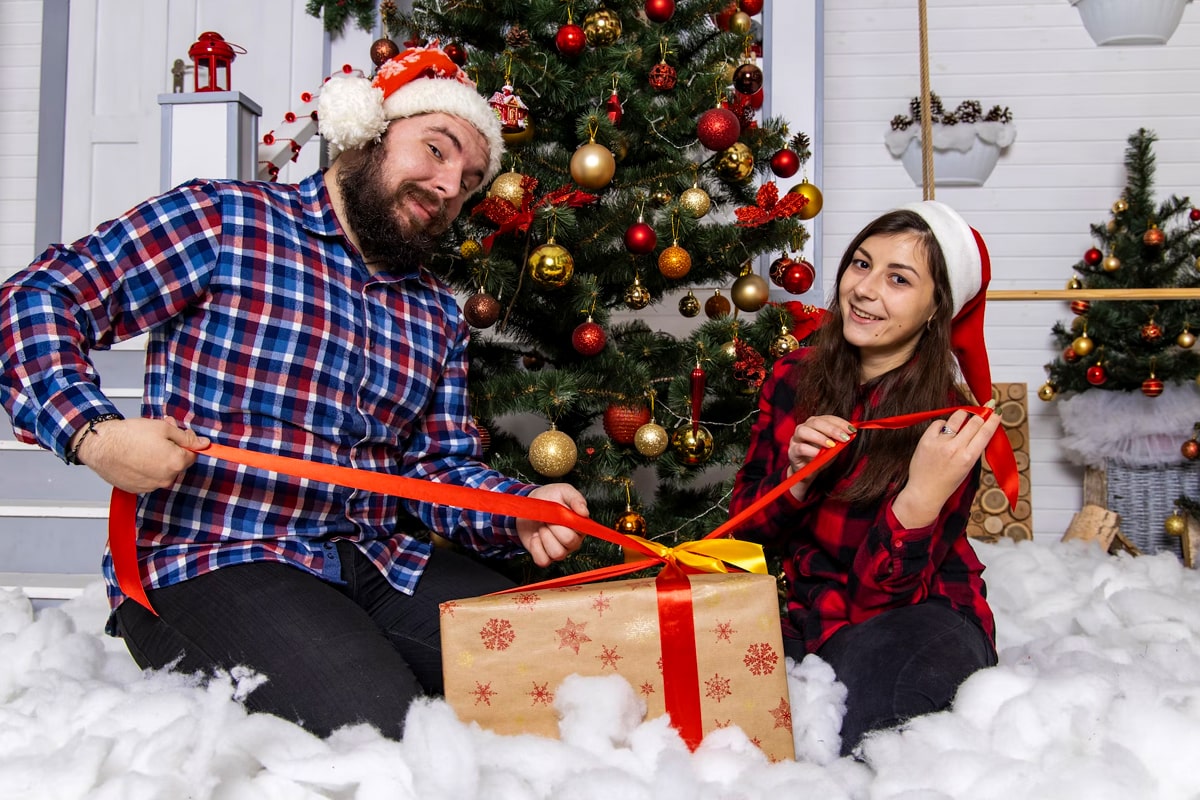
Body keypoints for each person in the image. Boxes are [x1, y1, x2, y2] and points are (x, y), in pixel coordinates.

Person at [0, 43, 589, 739]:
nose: (448, 186)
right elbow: (36, 300)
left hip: (374, 558)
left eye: (469, 180)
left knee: (570, 666)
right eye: (435, 149)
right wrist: (90, 431)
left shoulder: (434, 310)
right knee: (378, 733)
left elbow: (436, 469)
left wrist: (520, 508)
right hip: (212, 557)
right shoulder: (223, 221)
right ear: (368, 132)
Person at [729, 201, 1017, 756]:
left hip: (916, 614)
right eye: (861, 264)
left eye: (899, 279)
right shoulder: (794, 376)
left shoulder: (952, 424)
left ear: (937, 309)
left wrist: (920, 498)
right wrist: (797, 479)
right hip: (804, 612)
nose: (864, 289)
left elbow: (879, 599)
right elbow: (744, 535)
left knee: (880, 719)